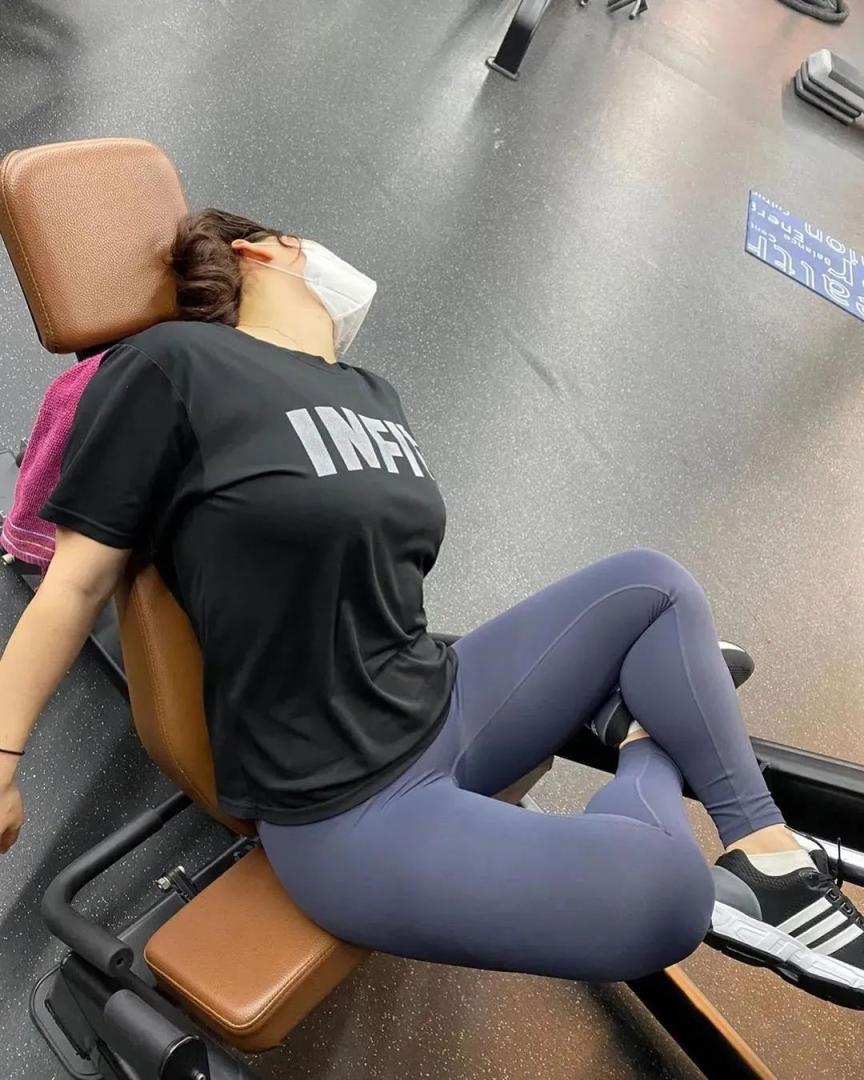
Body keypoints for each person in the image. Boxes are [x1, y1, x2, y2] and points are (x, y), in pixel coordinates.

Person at [0, 210, 862, 999]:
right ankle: (644, 733)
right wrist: (1, 755)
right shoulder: (173, 363)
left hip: (437, 696)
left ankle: (767, 852)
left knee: (651, 585)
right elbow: (77, 583)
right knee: (664, 900)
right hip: (348, 810)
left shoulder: (370, 392)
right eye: (308, 238)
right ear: (258, 250)